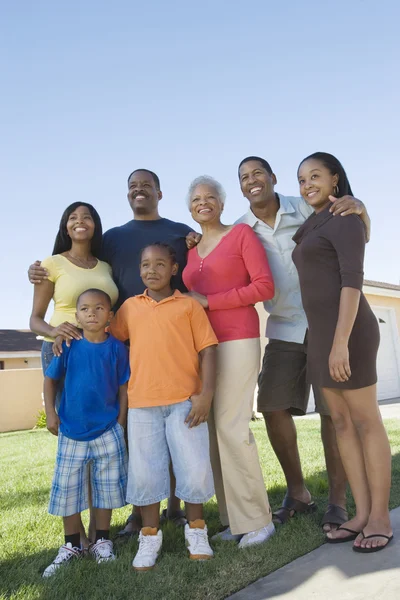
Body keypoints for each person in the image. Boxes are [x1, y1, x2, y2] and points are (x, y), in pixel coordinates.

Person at [28, 169, 196, 533]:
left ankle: (174, 507)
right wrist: (37, 278)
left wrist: (198, 239)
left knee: (159, 427)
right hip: (87, 347)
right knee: (120, 434)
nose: (139, 191)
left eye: (146, 185)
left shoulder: (178, 233)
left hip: (143, 342)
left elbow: (197, 262)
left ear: (159, 192)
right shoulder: (105, 243)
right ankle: (130, 515)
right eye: (132, 186)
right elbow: (41, 308)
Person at [236, 156, 371, 532]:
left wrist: (362, 208)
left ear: (274, 178)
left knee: (333, 412)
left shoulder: (311, 206)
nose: (252, 181)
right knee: (273, 406)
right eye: (244, 177)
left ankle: (338, 501)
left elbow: (355, 231)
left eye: (258, 173)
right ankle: (298, 492)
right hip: (283, 326)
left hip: (325, 323)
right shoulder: (241, 230)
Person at [292, 152, 392, 553]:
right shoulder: (313, 222)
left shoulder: (346, 215)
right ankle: (362, 514)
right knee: (343, 425)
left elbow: (352, 281)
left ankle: (381, 516)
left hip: (348, 333)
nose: (307, 184)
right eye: (301, 179)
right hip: (319, 336)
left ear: (336, 179)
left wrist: (338, 343)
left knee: (366, 422)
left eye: (315, 175)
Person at [109, 243, 218, 570]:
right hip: (142, 404)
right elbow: (107, 339)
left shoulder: (188, 306)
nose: (151, 270)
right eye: (145, 265)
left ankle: (197, 531)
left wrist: (206, 395)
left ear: (174, 269)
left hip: (186, 402)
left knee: (194, 467)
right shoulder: (129, 307)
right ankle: (149, 535)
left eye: (159, 264)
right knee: (144, 471)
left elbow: (209, 350)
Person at [183, 176, 276, 548]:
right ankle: (234, 519)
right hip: (202, 347)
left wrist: (212, 301)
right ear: (189, 207)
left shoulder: (240, 235)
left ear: (222, 204)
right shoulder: (189, 248)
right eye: (195, 199)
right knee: (212, 432)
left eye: (210, 197)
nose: (203, 203)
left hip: (237, 338)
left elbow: (264, 287)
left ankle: (259, 519)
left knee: (231, 426)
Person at [30, 202, 119, 548]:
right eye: (73, 218)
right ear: (65, 227)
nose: (80, 222)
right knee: (72, 440)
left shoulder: (107, 266)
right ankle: (75, 535)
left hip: (100, 355)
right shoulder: (51, 264)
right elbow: (35, 319)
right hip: (62, 352)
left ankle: (100, 536)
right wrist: (56, 331)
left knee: (101, 439)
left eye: (86, 217)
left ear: (95, 225)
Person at [42, 289, 129, 577]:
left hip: (107, 429)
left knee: (105, 487)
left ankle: (102, 539)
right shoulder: (67, 345)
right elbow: (50, 380)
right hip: (71, 430)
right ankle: (72, 545)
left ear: (110, 315)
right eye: (85, 309)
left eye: (99, 308)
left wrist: (120, 422)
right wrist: (51, 414)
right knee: (68, 488)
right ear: (76, 315)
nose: (92, 313)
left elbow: (123, 387)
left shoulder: (117, 348)